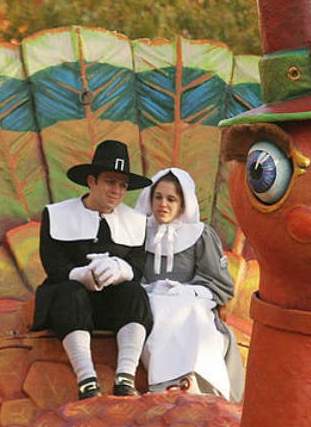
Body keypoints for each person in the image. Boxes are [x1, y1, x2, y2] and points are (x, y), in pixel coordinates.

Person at [31, 140, 153, 400]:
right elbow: (53, 264)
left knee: (135, 292)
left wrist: (120, 269)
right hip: (70, 303)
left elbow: (138, 266)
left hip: (112, 306)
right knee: (70, 292)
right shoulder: (55, 215)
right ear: (91, 181)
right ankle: (86, 378)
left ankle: (125, 377)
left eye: (123, 185)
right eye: (110, 182)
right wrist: (81, 275)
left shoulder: (136, 222)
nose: (117, 191)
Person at [133, 167, 243, 402]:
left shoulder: (200, 235)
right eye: (158, 197)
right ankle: (165, 386)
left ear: (183, 203)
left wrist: (185, 291)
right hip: (149, 302)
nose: (163, 204)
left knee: (191, 311)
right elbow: (131, 273)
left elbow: (218, 284)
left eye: (171, 199)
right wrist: (152, 289)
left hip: (191, 303)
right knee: (155, 309)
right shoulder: (139, 232)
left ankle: (199, 384)